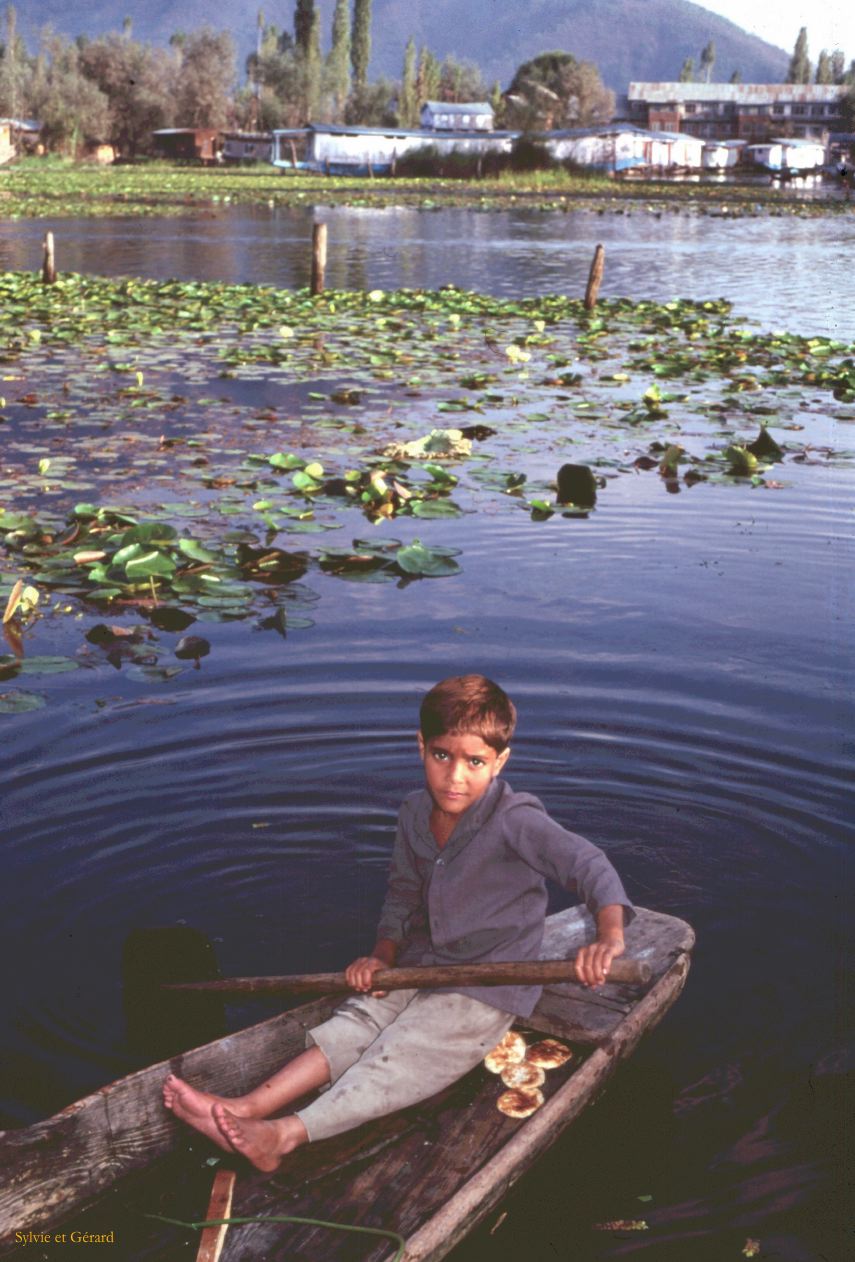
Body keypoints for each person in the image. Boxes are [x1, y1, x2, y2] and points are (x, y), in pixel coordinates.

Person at [163, 675, 634, 1172]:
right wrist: (381, 957)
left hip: (489, 983)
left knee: (405, 1051)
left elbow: (588, 865)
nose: (455, 777)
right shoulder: (414, 813)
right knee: (357, 1022)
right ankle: (247, 1106)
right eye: (442, 756)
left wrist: (608, 936)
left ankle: (283, 1136)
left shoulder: (516, 820)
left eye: (475, 762)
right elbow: (403, 895)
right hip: (419, 962)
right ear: (421, 747)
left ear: (500, 762)